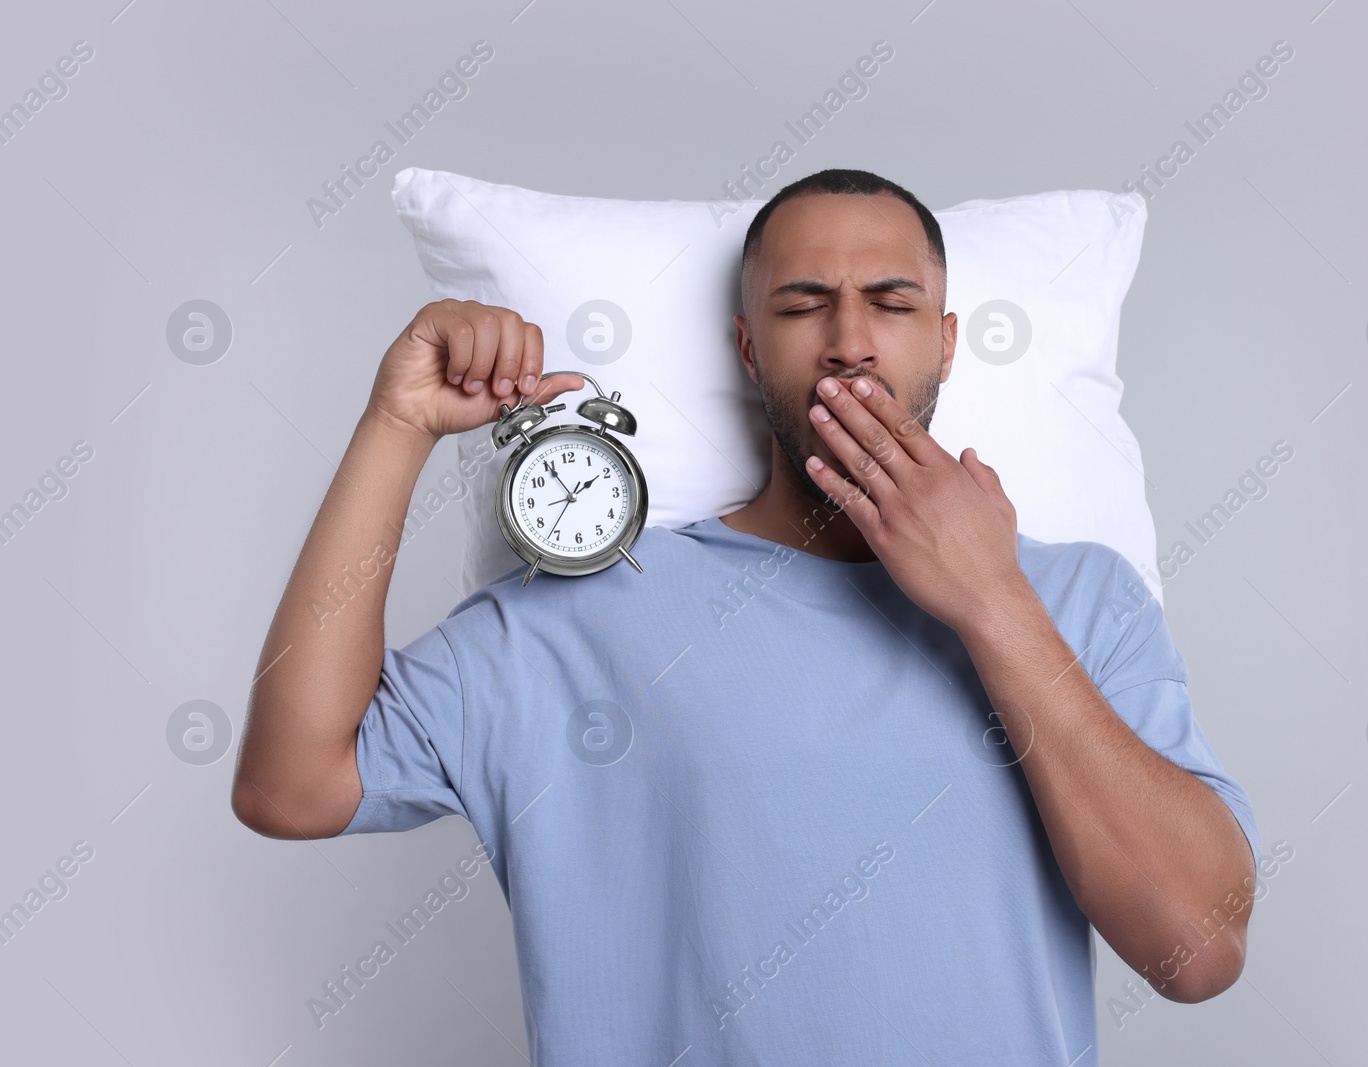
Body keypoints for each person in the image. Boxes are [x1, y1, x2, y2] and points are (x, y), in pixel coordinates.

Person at [233, 168, 1261, 1065]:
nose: (850, 340)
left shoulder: (1082, 598)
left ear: (947, 343)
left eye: (892, 303)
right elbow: (290, 784)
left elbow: (1198, 949)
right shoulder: (584, 612)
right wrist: (397, 423)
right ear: (746, 345)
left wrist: (992, 600)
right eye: (804, 302)